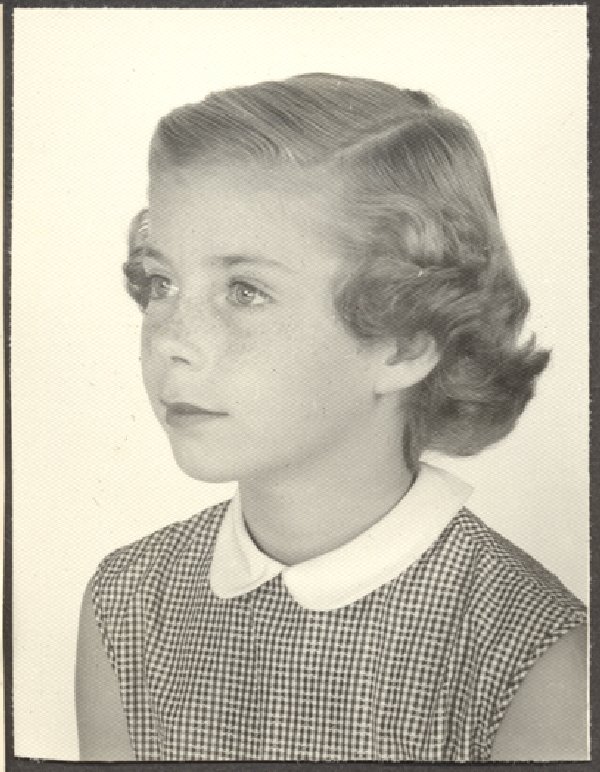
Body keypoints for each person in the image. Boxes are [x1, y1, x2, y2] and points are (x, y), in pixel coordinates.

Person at [75, 73, 587, 762]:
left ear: (405, 342)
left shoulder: (530, 651)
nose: (170, 339)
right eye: (162, 283)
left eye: (245, 291)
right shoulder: (129, 603)